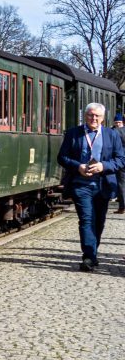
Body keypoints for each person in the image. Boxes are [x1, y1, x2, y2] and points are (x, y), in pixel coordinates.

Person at [58, 102, 125, 272]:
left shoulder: (112, 135)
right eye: (90, 115)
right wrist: (77, 166)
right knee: (86, 220)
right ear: (85, 116)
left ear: (103, 118)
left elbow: (121, 159)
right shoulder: (74, 133)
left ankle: (93, 252)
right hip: (81, 185)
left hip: (104, 185)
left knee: (99, 222)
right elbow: (62, 157)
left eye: (97, 116)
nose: (93, 118)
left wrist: (104, 166)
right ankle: (88, 256)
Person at [114, 113, 125, 214]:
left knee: (121, 183)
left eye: (119, 122)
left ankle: (122, 207)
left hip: (121, 160)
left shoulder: (114, 132)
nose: (117, 124)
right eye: (116, 122)